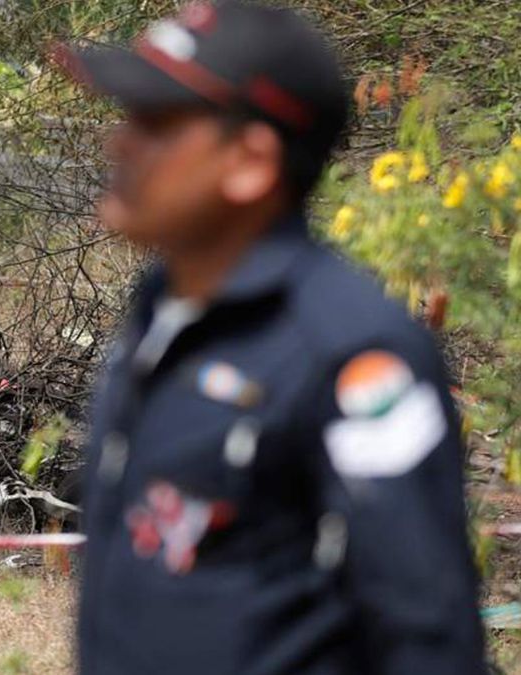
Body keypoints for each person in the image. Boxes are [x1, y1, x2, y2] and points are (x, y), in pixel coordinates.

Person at [59, 2, 489, 673]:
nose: (121, 143)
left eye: (154, 121)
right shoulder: (159, 311)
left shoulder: (354, 350)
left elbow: (427, 634)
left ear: (251, 162)